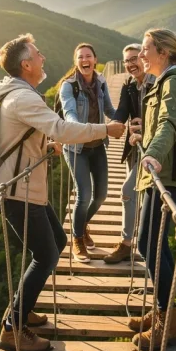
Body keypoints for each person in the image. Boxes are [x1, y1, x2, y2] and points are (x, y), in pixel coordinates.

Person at [0, 34, 125, 351]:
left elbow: (24, 134)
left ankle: (23, 310)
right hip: (16, 191)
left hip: (26, 188)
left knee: (59, 243)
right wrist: (107, 130)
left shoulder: (15, 92)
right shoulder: (23, 98)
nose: (43, 57)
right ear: (26, 64)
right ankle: (13, 328)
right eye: (37, 54)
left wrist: (45, 145)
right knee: (46, 255)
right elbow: (63, 127)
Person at [127, 28, 176, 351]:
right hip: (162, 169)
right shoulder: (165, 81)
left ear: (162, 53)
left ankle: (167, 322)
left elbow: (170, 125)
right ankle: (163, 312)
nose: (141, 55)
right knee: (154, 244)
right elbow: (161, 124)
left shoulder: (173, 83)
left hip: (168, 172)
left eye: (145, 50)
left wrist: (153, 156)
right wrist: (141, 138)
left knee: (148, 241)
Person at [58, 43, 117, 263]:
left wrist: (131, 118)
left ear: (95, 60)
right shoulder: (68, 86)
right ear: (76, 62)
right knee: (84, 195)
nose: (85, 59)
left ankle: (80, 224)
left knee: (101, 196)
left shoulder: (101, 82)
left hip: (98, 145)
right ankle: (77, 238)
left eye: (88, 56)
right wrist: (79, 129)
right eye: (80, 57)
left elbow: (110, 110)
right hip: (76, 148)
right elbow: (69, 113)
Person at [103, 44, 155, 264]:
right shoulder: (129, 84)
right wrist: (111, 125)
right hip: (134, 147)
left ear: (144, 57)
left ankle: (128, 244)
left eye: (135, 58)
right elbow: (122, 111)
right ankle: (138, 241)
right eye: (127, 61)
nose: (131, 64)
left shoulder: (158, 83)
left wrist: (147, 124)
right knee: (134, 195)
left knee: (128, 191)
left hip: (154, 150)